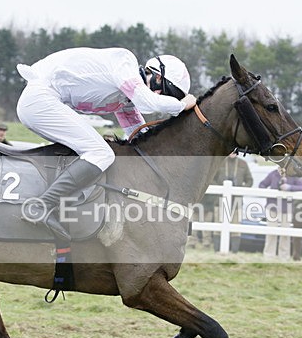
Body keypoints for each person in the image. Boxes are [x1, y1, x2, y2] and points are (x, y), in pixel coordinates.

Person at [15, 47, 196, 241]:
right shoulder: (124, 64)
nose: (160, 94)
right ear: (158, 76)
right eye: (165, 92)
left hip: (43, 101)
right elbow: (148, 102)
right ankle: (40, 206)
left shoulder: (125, 96)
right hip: (40, 99)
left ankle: (61, 206)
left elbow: (139, 134)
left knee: (92, 152)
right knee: (101, 153)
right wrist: (182, 105)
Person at [201, 152, 253, 252]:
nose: (233, 153)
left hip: (236, 201)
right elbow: (211, 178)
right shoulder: (220, 162)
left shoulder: (243, 164)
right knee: (218, 225)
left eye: (235, 151)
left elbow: (249, 180)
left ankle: (234, 251)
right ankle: (217, 250)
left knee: (235, 227)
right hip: (220, 200)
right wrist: (220, 187)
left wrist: (240, 189)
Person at [259, 167, 302, 259]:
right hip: (272, 208)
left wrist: (290, 187)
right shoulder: (273, 174)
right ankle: (269, 255)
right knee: (271, 232)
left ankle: (284, 256)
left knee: (285, 233)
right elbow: (262, 185)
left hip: (286, 208)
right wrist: (269, 193)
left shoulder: (294, 176)